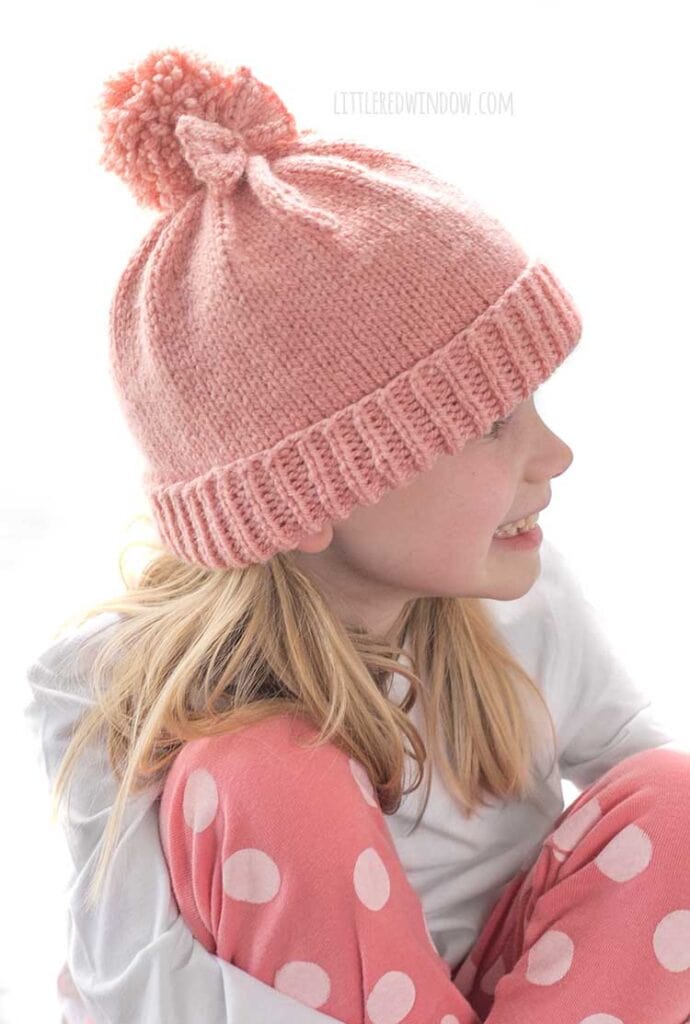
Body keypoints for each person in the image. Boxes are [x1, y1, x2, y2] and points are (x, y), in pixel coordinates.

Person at [23, 47, 689, 1024]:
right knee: (262, 769)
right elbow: (130, 987)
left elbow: (646, 833)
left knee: (675, 796)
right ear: (321, 485)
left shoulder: (523, 598)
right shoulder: (109, 680)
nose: (555, 454)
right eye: (493, 421)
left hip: (525, 997)